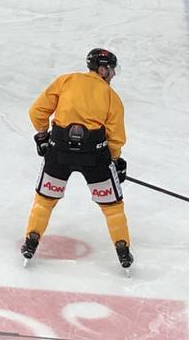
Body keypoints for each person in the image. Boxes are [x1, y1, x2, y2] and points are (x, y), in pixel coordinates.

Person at [21, 48, 132, 271]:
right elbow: (116, 138)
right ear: (102, 69)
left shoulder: (66, 80)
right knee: (112, 208)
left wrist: (43, 136)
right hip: (95, 157)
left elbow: (37, 112)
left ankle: (31, 241)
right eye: (111, 70)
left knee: (44, 201)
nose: (113, 75)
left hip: (59, 152)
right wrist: (114, 161)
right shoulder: (112, 97)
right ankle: (123, 249)